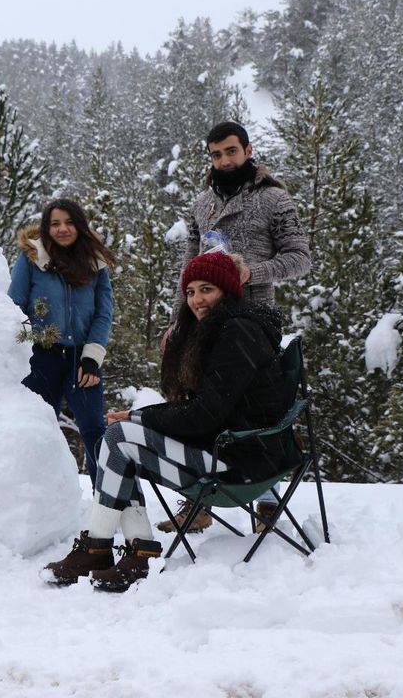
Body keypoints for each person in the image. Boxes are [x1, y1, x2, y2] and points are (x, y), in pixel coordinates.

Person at [43, 252, 299, 592]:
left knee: (119, 439)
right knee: (119, 440)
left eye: (206, 289)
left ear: (227, 290)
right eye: (190, 291)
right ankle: (130, 551)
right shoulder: (228, 328)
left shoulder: (238, 334)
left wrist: (142, 418)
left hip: (239, 465)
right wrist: (141, 420)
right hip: (235, 448)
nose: (196, 300)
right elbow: (208, 408)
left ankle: (104, 548)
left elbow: (205, 414)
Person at [164, 120, 310, 534]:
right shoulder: (201, 203)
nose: (224, 160)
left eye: (231, 151)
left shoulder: (273, 199)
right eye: (216, 154)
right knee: (198, 402)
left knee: (256, 406)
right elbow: (187, 269)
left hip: (252, 320)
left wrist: (252, 273)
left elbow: (300, 258)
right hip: (203, 320)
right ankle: (199, 499)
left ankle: (266, 499)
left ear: (247, 150)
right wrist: (178, 323)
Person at [8, 198, 115, 484]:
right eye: (55, 223)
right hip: (41, 355)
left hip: (83, 358)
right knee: (37, 429)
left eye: (69, 222)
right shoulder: (32, 258)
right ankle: (33, 499)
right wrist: (18, 351)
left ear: (79, 226)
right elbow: (14, 305)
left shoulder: (95, 263)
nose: (62, 229)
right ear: (46, 228)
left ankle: (109, 503)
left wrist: (92, 358)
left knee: (93, 428)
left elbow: (103, 314)